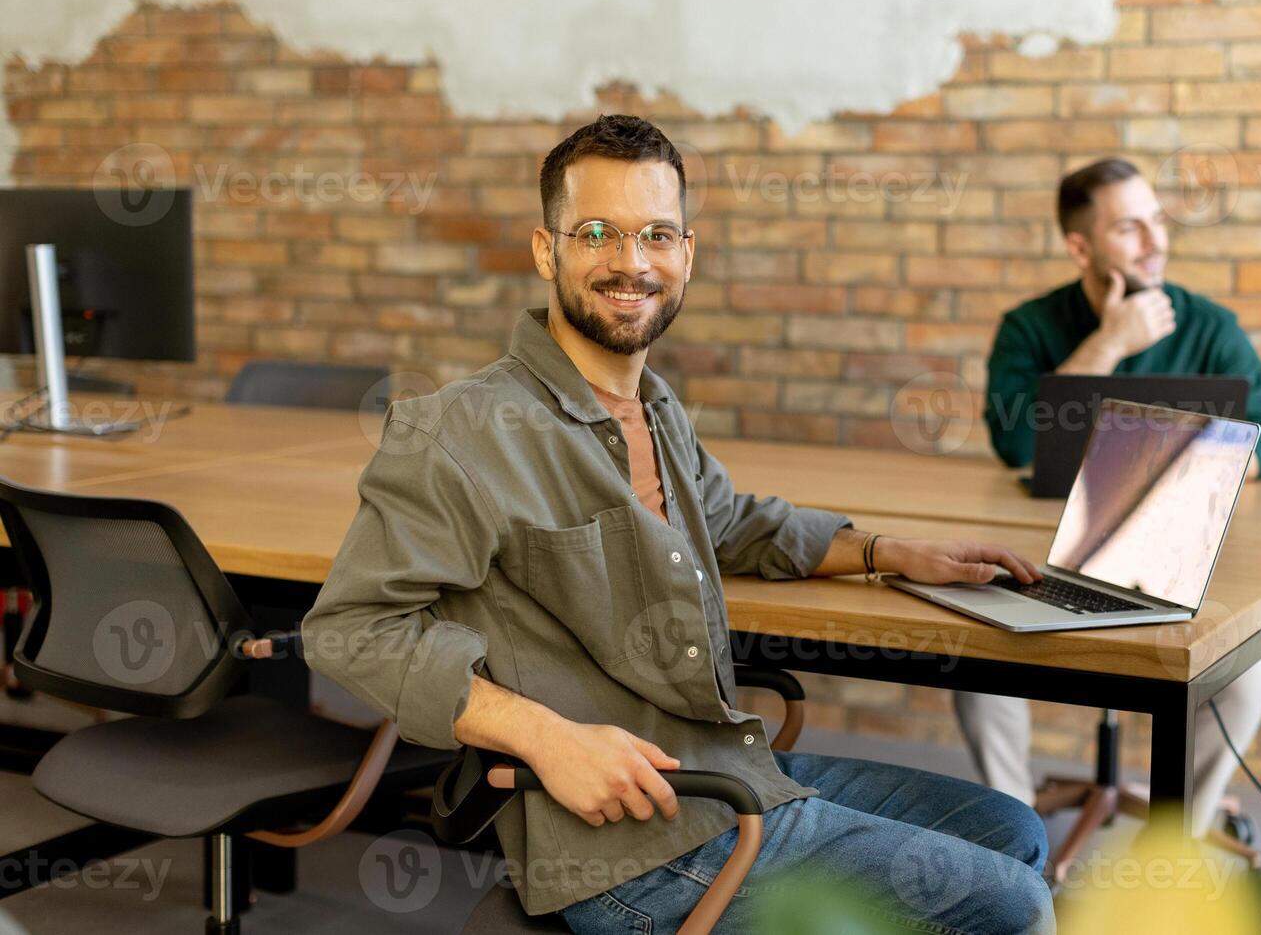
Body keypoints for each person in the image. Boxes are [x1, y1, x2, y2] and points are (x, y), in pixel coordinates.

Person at [304, 115, 1055, 934]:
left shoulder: (654, 408)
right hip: (625, 846)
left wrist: (891, 552)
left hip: (717, 768)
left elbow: (728, 523)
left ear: (686, 256)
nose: (631, 262)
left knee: (1010, 830)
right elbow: (353, 629)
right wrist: (547, 739)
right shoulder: (460, 431)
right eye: (597, 233)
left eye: (656, 235)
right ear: (547, 251)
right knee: (1013, 908)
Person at [959, 157, 1261, 837]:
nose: (1155, 242)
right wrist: (1108, 343)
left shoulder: (1209, 327)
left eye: (1158, 222)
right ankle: (1014, 832)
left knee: (1250, 668)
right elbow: (1016, 444)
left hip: (1177, 557)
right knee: (976, 648)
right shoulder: (1030, 326)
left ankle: (1174, 848)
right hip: (1046, 551)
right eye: (1130, 229)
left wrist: (1175, 464)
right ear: (1081, 247)